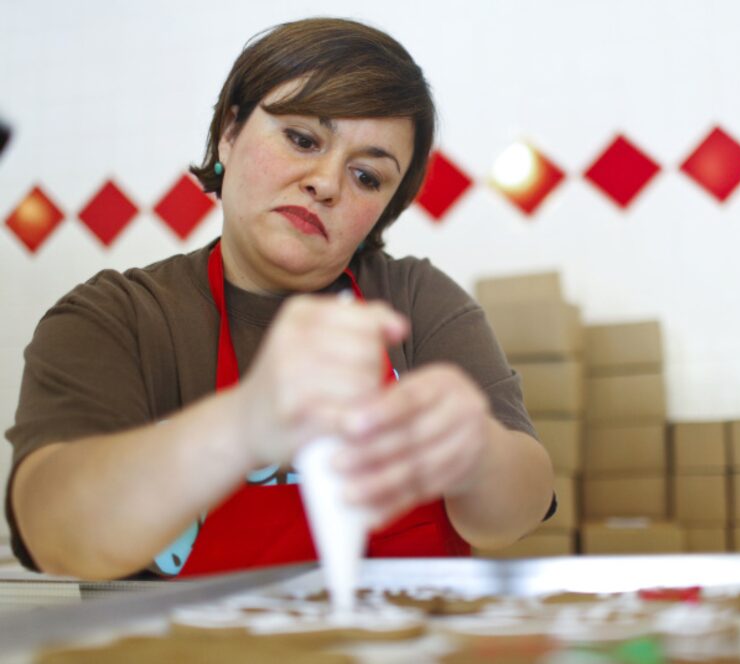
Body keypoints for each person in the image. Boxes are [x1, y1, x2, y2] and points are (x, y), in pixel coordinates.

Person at [5, 17, 555, 580]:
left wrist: (478, 452)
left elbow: (515, 513)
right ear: (229, 132)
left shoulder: (413, 300)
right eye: (301, 139)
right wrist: (246, 422)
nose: (326, 182)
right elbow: (56, 537)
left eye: (367, 176)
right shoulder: (120, 317)